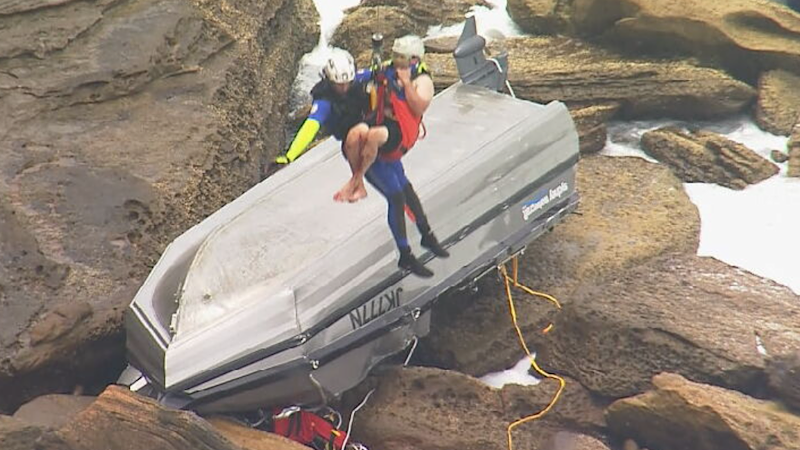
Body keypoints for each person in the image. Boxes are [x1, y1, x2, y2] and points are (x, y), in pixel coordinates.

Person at [335, 35, 449, 278]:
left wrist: (406, 83)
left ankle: (427, 236)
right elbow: (367, 76)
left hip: (393, 144)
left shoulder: (422, 80)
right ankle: (406, 255)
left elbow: (419, 107)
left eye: (402, 58)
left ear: (414, 60)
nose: (396, 61)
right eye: (395, 56)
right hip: (377, 149)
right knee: (396, 198)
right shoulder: (386, 71)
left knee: (406, 190)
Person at [274, 48, 370, 165]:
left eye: (347, 84)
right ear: (330, 81)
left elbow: (379, 71)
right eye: (339, 85)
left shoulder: (355, 79)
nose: (344, 88)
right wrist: (290, 156)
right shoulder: (324, 101)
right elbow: (310, 126)